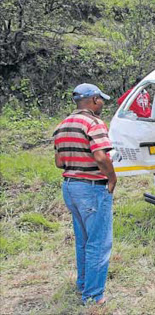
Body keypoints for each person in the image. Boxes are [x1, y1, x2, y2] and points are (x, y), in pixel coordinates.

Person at [53, 83, 117, 305]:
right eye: (101, 100)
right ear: (94, 100)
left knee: (83, 240)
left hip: (70, 187)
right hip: (92, 188)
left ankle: (83, 284)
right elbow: (101, 157)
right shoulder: (94, 123)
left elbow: (60, 162)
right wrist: (112, 177)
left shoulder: (62, 126)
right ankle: (93, 296)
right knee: (99, 242)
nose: (102, 105)